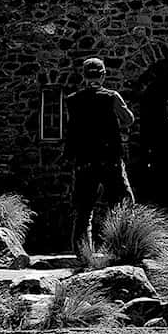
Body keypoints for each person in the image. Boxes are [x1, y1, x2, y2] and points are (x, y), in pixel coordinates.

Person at [65, 57, 135, 260]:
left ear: (84, 76)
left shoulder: (73, 100)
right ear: (103, 75)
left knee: (84, 209)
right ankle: (121, 247)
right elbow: (128, 119)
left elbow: (72, 131)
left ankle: (83, 254)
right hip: (109, 159)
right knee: (122, 204)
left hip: (84, 161)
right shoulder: (111, 97)